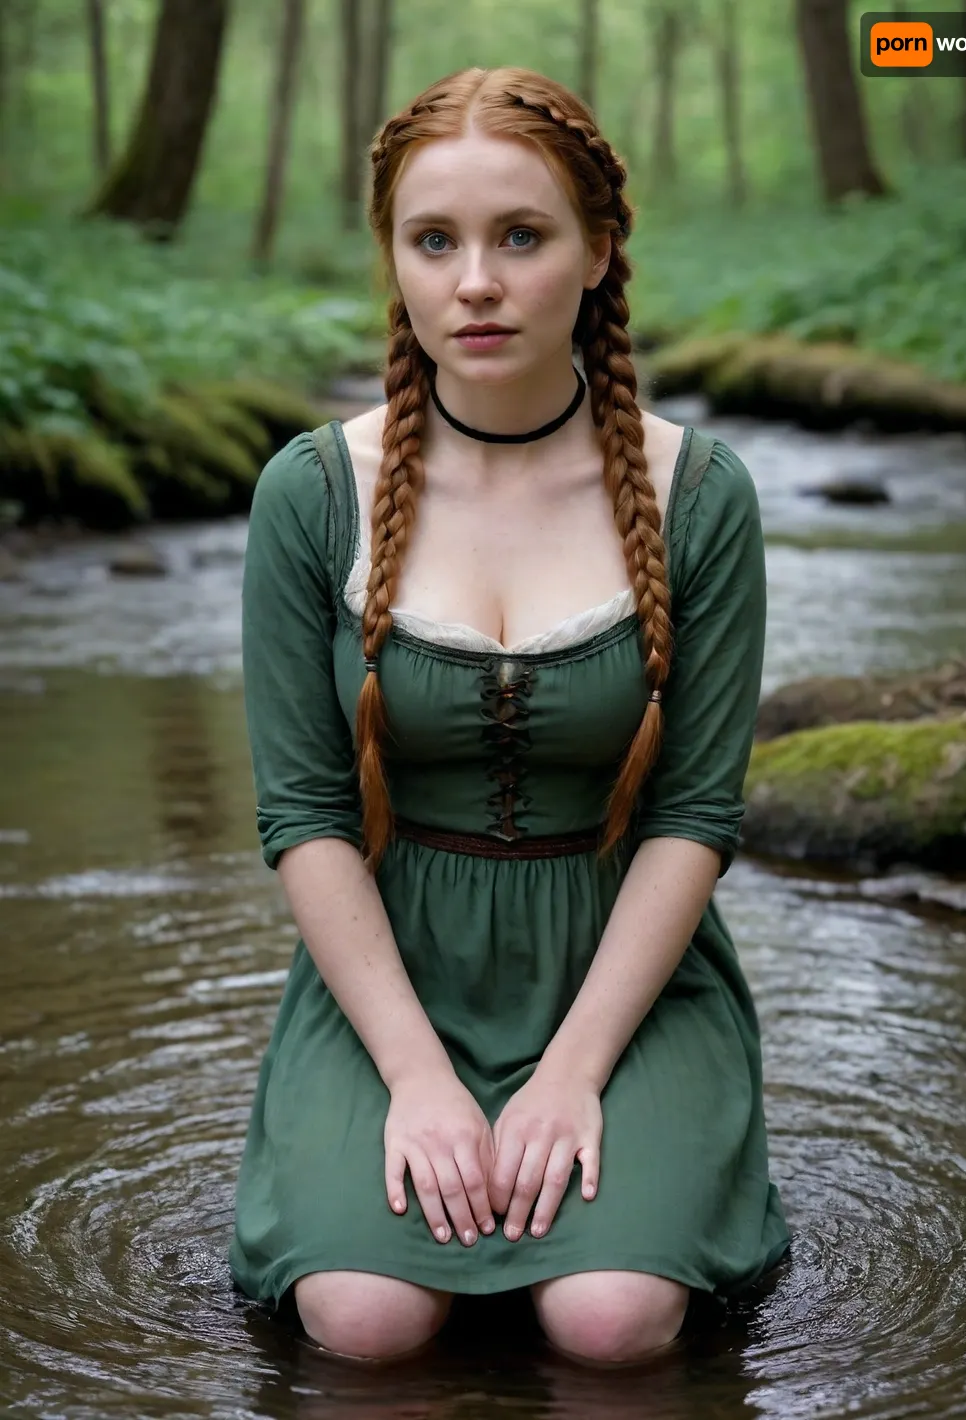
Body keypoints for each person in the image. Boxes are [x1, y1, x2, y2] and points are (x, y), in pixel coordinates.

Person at [229, 64, 791, 1369]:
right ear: (397, 260)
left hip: (620, 975)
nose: (472, 281)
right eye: (434, 241)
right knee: (364, 1328)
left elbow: (695, 812)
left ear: (598, 251)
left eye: (519, 236)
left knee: (611, 1326)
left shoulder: (700, 494)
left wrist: (573, 1072)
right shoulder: (308, 497)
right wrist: (417, 1079)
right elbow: (304, 815)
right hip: (392, 971)